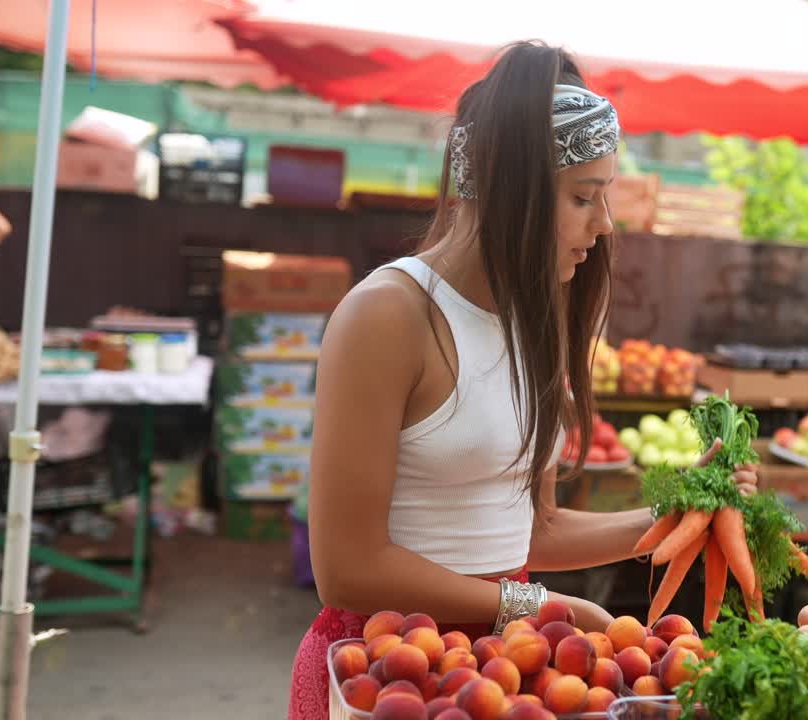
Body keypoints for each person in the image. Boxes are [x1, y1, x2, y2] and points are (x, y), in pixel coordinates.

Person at [287, 42, 758, 719]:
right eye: (582, 198)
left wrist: (675, 518)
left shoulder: (536, 322)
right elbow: (347, 567)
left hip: (506, 666)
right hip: (389, 671)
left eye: (606, 198)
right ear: (515, 191)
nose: (603, 225)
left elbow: (529, 531)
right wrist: (536, 603)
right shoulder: (387, 315)